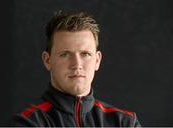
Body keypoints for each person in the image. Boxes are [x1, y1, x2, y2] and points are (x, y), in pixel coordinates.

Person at [13, 11, 141, 127]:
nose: (76, 64)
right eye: (65, 54)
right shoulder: (27, 122)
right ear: (47, 60)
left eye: (85, 54)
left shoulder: (124, 122)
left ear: (97, 60)